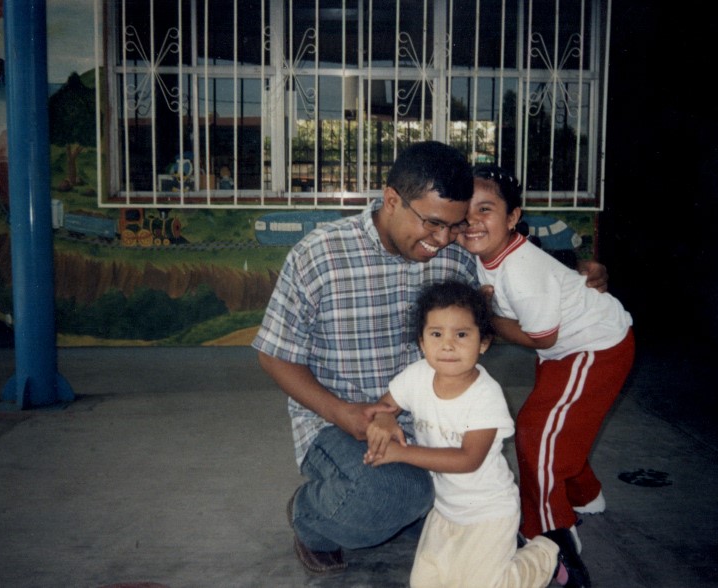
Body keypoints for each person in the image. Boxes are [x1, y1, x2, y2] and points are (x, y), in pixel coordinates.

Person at [252, 141, 608, 575]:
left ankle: (410, 502)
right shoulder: (319, 255)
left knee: (489, 511)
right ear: (391, 200)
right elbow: (274, 355)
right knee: (396, 493)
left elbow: (521, 273)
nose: (442, 240)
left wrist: (578, 279)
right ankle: (311, 519)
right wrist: (342, 413)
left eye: (454, 226)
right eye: (433, 223)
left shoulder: (457, 253)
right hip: (341, 422)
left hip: (438, 422)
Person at [458, 164, 635, 587]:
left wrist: (488, 317)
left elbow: (541, 337)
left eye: (485, 209)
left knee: (537, 432)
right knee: (558, 425)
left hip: (593, 347)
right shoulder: (488, 252)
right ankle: (584, 495)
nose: (472, 221)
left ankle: (550, 532)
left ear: (513, 217)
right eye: (464, 212)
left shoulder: (521, 271)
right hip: (567, 349)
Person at [363, 280, 582, 588]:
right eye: (436, 334)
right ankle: (502, 555)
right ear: (422, 342)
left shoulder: (485, 395)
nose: (448, 345)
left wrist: (400, 453)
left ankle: (550, 550)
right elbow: (385, 405)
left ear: (484, 343)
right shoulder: (417, 376)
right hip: (445, 510)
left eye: (462, 334)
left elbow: (468, 459)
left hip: (489, 512)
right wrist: (385, 418)